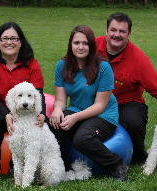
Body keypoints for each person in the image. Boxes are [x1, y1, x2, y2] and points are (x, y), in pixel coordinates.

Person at [49, 25, 128, 181]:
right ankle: (62, 166)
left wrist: (75, 117)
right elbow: (60, 99)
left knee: (82, 139)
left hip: (104, 115)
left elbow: (100, 105)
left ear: (91, 45)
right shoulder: (62, 65)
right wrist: (57, 110)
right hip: (77, 110)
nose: (81, 47)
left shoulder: (103, 67)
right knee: (54, 123)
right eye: (76, 43)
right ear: (70, 45)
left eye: (85, 43)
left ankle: (117, 164)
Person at [0, 22, 46, 185]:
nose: (9, 42)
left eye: (14, 38)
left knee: (40, 124)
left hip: (24, 111)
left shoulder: (31, 64)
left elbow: (38, 93)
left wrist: (42, 115)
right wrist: (5, 115)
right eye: (5, 38)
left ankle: (20, 165)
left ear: (21, 42)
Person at [95, 12, 157, 164]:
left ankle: (138, 156)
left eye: (122, 31)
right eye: (113, 30)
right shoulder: (90, 46)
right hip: (94, 101)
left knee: (133, 122)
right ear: (106, 30)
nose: (117, 35)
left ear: (129, 34)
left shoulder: (139, 59)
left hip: (125, 102)